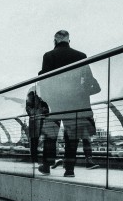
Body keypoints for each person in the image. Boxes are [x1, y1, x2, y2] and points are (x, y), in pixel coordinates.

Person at [36, 30, 100, 176]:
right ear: (69, 41)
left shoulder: (48, 56)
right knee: (72, 136)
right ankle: (69, 170)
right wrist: (81, 93)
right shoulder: (81, 56)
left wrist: (45, 99)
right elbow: (89, 79)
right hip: (75, 102)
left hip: (55, 102)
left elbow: (44, 80)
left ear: (55, 41)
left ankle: (46, 165)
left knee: (51, 135)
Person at [25, 89, 49, 167]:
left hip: (40, 124)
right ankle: (35, 161)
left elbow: (47, 112)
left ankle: (43, 162)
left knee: (38, 143)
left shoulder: (42, 102)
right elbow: (32, 113)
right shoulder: (30, 103)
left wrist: (40, 109)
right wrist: (40, 110)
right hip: (35, 126)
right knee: (34, 143)